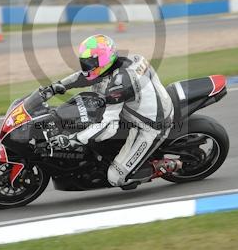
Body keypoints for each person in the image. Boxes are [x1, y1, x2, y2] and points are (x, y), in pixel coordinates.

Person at [42, 34, 181, 188]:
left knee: (116, 177)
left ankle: (164, 166)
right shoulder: (123, 60)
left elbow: (108, 124)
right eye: (84, 62)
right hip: (139, 107)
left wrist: (76, 139)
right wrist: (56, 86)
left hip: (151, 126)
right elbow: (84, 77)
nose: (86, 66)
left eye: (90, 63)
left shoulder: (119, 85)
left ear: (104, 60)